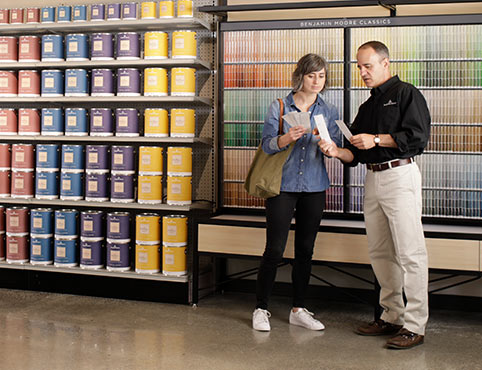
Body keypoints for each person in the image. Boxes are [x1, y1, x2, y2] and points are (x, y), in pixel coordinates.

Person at [318, 41, 430, 349]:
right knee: (381, 252)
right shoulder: (367, 106)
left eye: (367, 66)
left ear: (385, 64)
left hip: (400, 175)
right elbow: (355, 154)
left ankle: (415, 325)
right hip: (373, 179)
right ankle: (391, 315)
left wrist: (377, 138)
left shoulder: (407, 93)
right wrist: (335, 150)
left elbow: (418, 138)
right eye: (359, 67)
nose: (362, 72)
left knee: (410, 253)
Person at [252, 53, 342, 332]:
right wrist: (285, 138)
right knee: (274, 249)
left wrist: (328, 146)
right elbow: (266, 145)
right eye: (311, 75)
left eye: (322, 76)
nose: (316, 81)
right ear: (300, 76)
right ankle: (261, 308)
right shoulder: (279, 106)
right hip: (282, 186)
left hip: (315, 187)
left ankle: (298, 309)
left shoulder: (328, 110)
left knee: (305, 250)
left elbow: (336, 145)